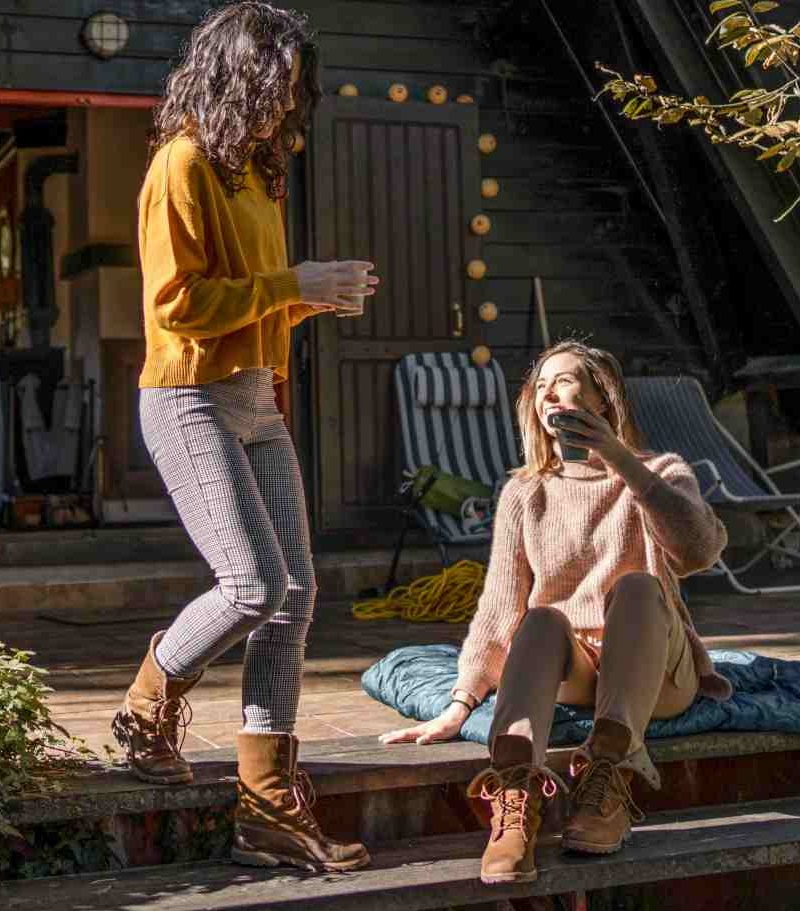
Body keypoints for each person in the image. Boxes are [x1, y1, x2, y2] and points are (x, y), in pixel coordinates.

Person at [111, 1, 379, 873]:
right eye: (275, 85)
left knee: (293, 594)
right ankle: (144, 701)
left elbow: (253, 299)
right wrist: (287, 281)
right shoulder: (179, 165)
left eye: (294, 90)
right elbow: (178, 307)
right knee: (252, 582)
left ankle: (265, 803)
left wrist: (311, 294)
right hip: (188, 398)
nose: (284, 104)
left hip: (255, 400)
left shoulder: (255, 175)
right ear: (234, 76)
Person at [380, 340, 731, 885]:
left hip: (657, 670)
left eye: (564, 381)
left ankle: (608, 777)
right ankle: (516, 794)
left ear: (603, 397)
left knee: (637, 586)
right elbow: (499, 605)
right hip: (578, 670)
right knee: (540, 618)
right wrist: (461, 700)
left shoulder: (660, 470)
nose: (549, 393)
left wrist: (620, 461)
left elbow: (700, 551)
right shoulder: (525, 491)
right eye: (540, 385)